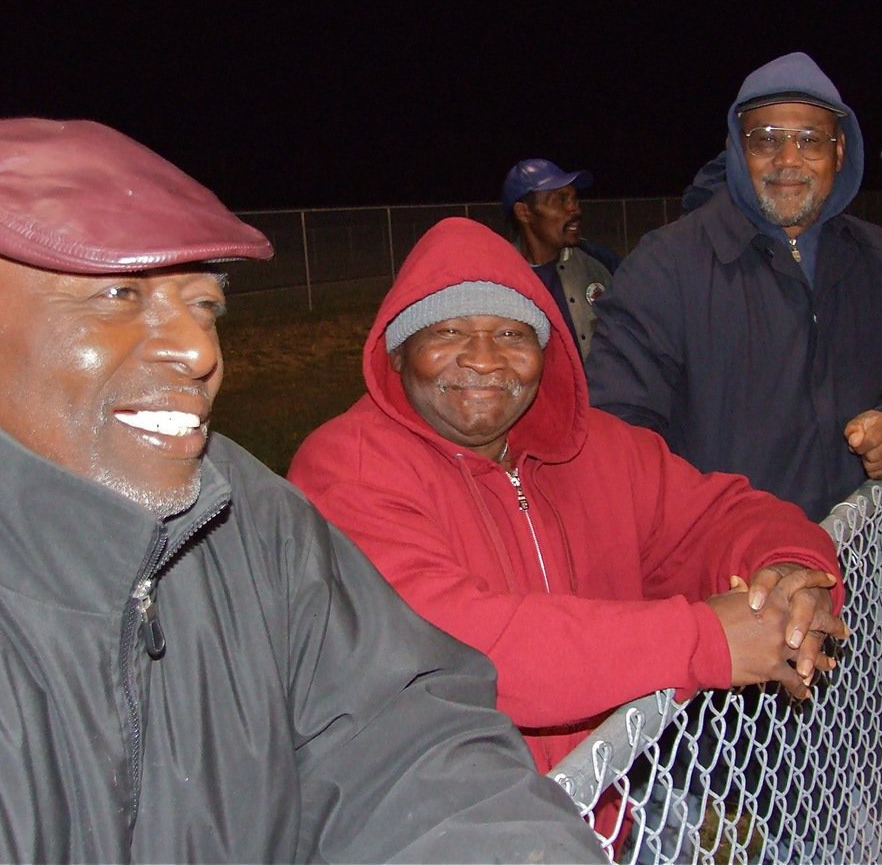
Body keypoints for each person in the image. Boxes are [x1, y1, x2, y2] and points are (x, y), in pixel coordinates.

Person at [0, 119, 607, 863]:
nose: (199, 349)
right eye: (118, 296)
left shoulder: (243, 512)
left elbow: (404, 738)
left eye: (205, 304)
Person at [288, 216, 848, 789]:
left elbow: (718, 515)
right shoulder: (347, 468)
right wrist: (704, 640)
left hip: (608, 800)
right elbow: (459, 648)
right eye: (448, 332)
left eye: (512, 334)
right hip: (441, 825)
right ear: (399, 354)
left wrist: (788, 572)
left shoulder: (597, 448)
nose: (484, 358)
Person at [586, 52, 882, 522]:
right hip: (735, 578)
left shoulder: (872, 255)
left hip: (861, 553)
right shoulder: (665, 266)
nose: (788, 159)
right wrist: (724, 536)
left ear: (838, 151)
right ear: (737, 148)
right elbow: (617, 433)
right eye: (765, 139)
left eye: (810, 139)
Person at [502, 158, 616, 360]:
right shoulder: (499, 278)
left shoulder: (599, 262)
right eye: (561, 200)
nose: (575, 209)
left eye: (575, 200)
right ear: (524, 212)